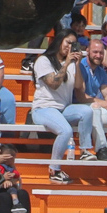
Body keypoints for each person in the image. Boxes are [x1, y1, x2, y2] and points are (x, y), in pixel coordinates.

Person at [30, 31, 91, 184]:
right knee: (66, 130)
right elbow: (54, 84)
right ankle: (54, 169)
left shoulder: (70, 63)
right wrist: (67, 63)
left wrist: (76, 64)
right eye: (68, 42)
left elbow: (78, 86)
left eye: (73, 44)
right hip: (43, 108)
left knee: (87, 111)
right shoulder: (43, 61)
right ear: (59, 42)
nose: (70, 47)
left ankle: (85, 150)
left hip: (63, 108)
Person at [77, 37, 107, 161]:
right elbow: (81, 97)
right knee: (94, 109)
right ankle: (101, 149)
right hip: (81, 109)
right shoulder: (80, 67)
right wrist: (103, 103)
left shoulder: (101, 71)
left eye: (101, 53)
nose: (98, 55)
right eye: (95, 52)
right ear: (87, 51)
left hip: (96, 110)